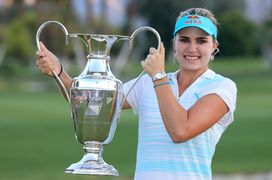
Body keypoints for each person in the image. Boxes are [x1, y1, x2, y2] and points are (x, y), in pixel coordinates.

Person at [36, 7, 237, 180]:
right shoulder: (147, 82)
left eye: (201, 41)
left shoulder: (221, 86)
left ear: (214, 46)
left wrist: (159, 77)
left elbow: (180, 130)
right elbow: (88, 104)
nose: (192, 48)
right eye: (184, 40)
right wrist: (58, 72)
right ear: (174, 44)